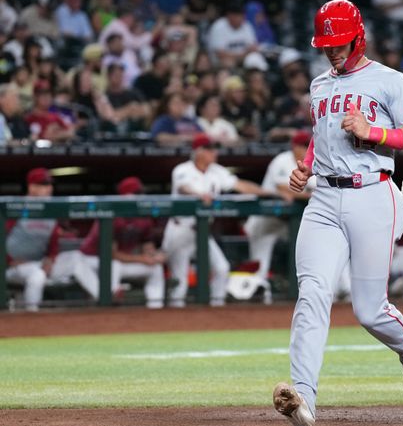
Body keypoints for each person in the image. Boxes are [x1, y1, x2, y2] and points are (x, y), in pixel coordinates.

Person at [272, 0, 403, 426]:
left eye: (339, 42)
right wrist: (307, 163)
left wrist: (375, 132)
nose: (332, 50)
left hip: (371, 194)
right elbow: (319, 134)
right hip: (324, 198)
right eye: (326, 43)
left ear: (358, 36)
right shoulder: (319, 84)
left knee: (369, 310)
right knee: (312, 293)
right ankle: (302, 395)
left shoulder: (389, 80)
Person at [161, 133, 271, 307]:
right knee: (179, 280)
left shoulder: (217, 171)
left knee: (221, 269)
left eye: (214, 149)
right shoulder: (182, 169)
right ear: (198, 151)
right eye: (210, 149)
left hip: (203, 232)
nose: (214, 153)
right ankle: (175, 319)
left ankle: (216, 310)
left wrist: (270, 193)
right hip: (180, 229)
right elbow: (184, 188)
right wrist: (199, 195)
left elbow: (240, 185)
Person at [5, 168, 99, 311]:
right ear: (32, 187)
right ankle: (30, 315)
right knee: (37, 275)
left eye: (49, 184)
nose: (49, 188)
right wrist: (8, 260)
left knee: (75, 258)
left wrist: (51, 259)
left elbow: (53, 245)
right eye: (43, 185)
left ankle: (106, 299)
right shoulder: (15, 207)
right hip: (12, 266)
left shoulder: (51, 211)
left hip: (38, 263)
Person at [78, 177, 166, 309]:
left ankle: (155, 307)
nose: (140, 197)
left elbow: (147, 246)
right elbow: (112, 255)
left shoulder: (144, 218)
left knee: (155, 268)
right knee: (113, 265)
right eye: (136, 194)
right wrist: (142, 259)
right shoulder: (112, 216)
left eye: (141, 194)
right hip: (93, 261)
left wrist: (155, 256)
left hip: (121, 262)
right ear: (125, 196)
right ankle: (111, 302)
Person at [244, 129, 310, 304]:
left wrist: (301, 194)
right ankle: (258, 303)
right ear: (294, 146)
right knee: (260, 265)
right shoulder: (282, 160)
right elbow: (285, 188)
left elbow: (313, 189)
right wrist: (308, 194)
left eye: (308, 145)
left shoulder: (313, 161)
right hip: (264, 221)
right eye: (303, 145)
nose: (307, 148)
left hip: (287, 223)